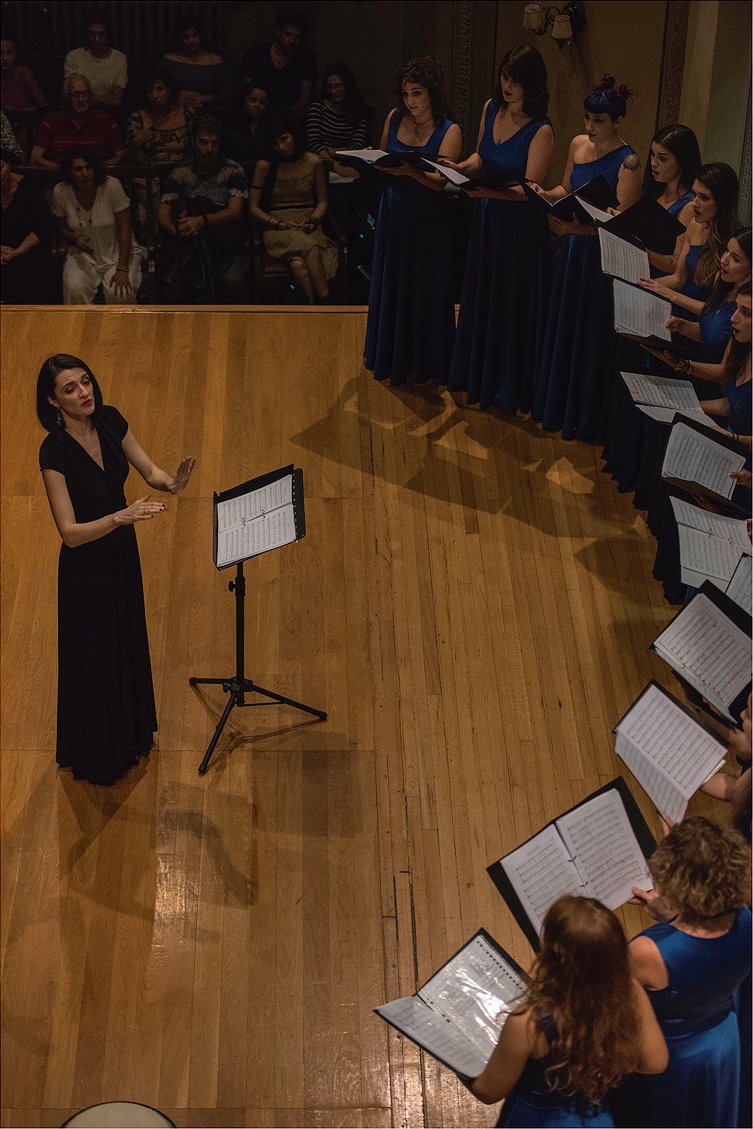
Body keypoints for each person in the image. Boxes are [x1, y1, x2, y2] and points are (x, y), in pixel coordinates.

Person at [37, 354, 196, 785]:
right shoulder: (53, 452)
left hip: (121, 553)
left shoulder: (109, 420)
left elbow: (148, 469)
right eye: (70, 388)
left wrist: (171, 483)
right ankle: (98, 755)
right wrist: (119, 518)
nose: (84, 392)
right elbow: (69, 533)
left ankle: (129, 736)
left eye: (85, 381)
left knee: (125, 640)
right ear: (53, 401)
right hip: (85, 567)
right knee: (95, 657)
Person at [470, 895, 667, 1127]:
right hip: (593, 1116)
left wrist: (459, 1067)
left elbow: (489, 1092)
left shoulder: (528, 1022)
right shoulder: (629, 991)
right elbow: (655, 1063)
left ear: (553, 954)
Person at [616, 817, 751, 1128]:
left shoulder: (649, 952)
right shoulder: (747, 918)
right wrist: (672, 915)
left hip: (672, 1054)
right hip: (719, 1041)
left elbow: (611, 997)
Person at [530, 75, 642, 441]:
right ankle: (553, 405)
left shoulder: (628, 162)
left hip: (597, 259)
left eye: (599, 121)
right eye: (587, 118)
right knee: (562, 324)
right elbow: (565, 187)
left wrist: (581, 231)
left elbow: (621, 225)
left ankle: (580, 415)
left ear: (617, 121)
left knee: (585, 331)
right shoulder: (578, 144)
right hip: (569, 250)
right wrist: (544, 193)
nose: (590, 127)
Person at [443, 43, 553, 413]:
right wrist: (459, 169)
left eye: (516, 80)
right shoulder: (492, 108)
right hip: (487, 220)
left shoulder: (541, 130)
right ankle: (477, 377)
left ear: (531, 84)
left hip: (518, 230)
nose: (507, 85)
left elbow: (531, 190)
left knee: (508, 305)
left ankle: (505, 388)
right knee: (482, 297)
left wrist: (485, 193)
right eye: (505, 76)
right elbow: (481, 156)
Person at [364, 56, 462, 385]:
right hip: (394, 213)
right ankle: (390, 356)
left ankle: (425, 363)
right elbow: (382, 158)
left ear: (431, 92)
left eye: (416, 93)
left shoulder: (449, 130)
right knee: (393, 283)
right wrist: (373, 158)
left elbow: (441, 182)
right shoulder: (394, 117)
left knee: (424, 289)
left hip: (427, 221)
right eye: (405, 94)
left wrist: (409, 171)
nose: (410, 101)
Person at [157, 115, 248, 303]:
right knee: (177, 278)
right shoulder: (180, 172)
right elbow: (164, 210)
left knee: (233, 281)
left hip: (225, 238)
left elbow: (235, 211)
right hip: (191, 240)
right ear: (194, 142)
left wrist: (202, 221)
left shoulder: (233, 170)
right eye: (204, 142)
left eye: (214, 143)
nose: (209, 148)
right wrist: (177, 230)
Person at [249, 109, 336, 303]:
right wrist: (277, 223)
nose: (281, 147)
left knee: (299, 266)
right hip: (277, 227)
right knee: (309, 246)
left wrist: (312, 221)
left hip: (308, 223)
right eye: (275, 143)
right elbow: (253, 207)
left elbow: (322, 201)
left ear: (294, 135)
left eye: (284, 139)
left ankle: (311, 312)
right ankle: (327, 302)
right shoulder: (265, 165)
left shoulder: (313, 161)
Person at [639, 162, 740, 320]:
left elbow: (718, 310)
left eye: (704, 198)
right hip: (679, 308)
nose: (694, 203)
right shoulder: (694, 224)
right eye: (694, 194)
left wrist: (670, 294)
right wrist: (642, 285)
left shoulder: (734, 243)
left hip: (703, 320)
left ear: (722, 202)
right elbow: (678, 279)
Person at [51, 146, 144, 304]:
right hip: (83, 255)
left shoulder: (112, 185)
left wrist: (122, 268)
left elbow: (125, 229)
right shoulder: (61, 191)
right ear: (69, 172)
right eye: (78, 169)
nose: (85, 173)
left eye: (88, 168)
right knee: (75, 290)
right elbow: (60, 227)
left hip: (117, 253)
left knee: (119, 293)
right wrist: (74, 237)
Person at [31, 74, 125, 170]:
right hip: (60, 175)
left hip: (97, 174)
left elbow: (121, 157)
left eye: (85, 94)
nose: (81, 99)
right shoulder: (51, 121)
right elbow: (35, 158)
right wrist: (65, 170)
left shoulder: (106, 120)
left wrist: (97, 167)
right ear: (66, 97)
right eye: (75, 95)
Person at [640, 125, 701, 272]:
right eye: (652, 155)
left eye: (662, 158)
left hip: (660, 279)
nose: (653, 163)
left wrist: (644, 253)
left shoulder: (689, 205)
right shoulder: (657, 191)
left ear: (682, 161)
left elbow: (678, 263)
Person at [1, 146, 58, 302]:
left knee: (31, 274)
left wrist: (16, 253)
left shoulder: (29, 187)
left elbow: (41, 228)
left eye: (1, 168)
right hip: (2, 249)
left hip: (27, 248)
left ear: (8, 166)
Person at [241, 10, 316, 112]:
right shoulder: (256, 54)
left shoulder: (305, 58)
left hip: (290, 112)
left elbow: (306, 95)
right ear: (278, 32)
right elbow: (248, 91)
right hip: (259, 111)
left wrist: (291, 115)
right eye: (287, 34)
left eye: (297, 37)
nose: (291, 41)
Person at [126, 68, 194, 168]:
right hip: (149, 174)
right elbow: (129, 162)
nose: (155, 95)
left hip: (182, 172)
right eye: (150, 91)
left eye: (160, 89)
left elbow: (197, 149)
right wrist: (136, 144)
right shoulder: (137, 118)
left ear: (169, 91)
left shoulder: (186, 113)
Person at [64, 11, 128, 111]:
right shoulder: (74, 56)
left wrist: (83, 97)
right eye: (92, 34)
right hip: (78, 111)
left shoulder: (119, 59)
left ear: (108, 35)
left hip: (107, 112)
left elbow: (116, 100)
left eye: (101, 34)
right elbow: (69, 93)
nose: (97, 39)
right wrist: (102, 98)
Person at [160, 19, 231, 110]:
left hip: (207, 111)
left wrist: (205, 98)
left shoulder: (214, 60)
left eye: (195, 35)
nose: (191, 41)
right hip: (174, 111)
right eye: (186, 37)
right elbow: (155, 87)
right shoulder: (169, 60)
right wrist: (175, 96)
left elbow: (227, 94)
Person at [306, 64, 368, 161]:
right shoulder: (318, 108)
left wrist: (332, 151)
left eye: (338, 86)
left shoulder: (358, 110)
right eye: (329, 87)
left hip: (347, 160)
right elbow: (313, 143)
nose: (333, 91)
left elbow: (356, 147)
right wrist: (332, 162)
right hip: (320, 160)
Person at [226, 80, 271, 168]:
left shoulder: (271, 124)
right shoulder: (231, 122)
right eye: (252, 100)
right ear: (244, 100)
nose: (257, 105)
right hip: (234, 169)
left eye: (262, 102)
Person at [1, 35, 47, 111]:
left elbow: (43, 105)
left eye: (9, 53)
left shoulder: (23, 73)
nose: (4, 58)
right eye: (0, 53)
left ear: (16, 54)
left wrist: (26, 111)